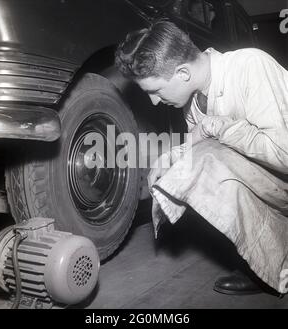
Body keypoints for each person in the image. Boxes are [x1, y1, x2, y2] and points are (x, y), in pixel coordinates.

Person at [115, 20, 288, 296]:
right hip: (277, 188)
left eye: (155, 91)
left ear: (183, 72)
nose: (154, 103)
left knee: (207, 160)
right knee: (196, 161)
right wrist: (172, 157)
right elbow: (200, 144)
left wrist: (216, 127)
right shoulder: (194, 101)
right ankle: (273, 263)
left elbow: (284, 153)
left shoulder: (250, 66)